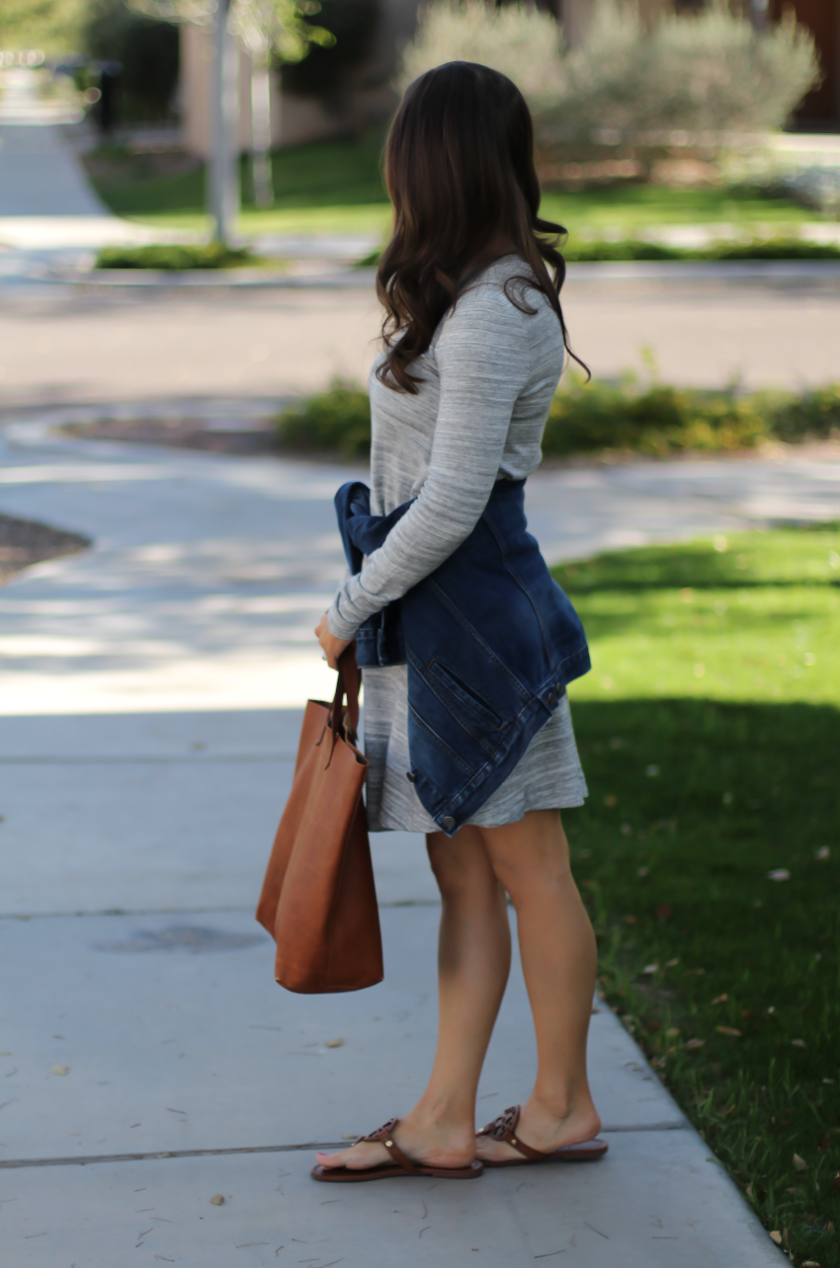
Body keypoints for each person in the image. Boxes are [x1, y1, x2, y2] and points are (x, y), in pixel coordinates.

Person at [312, 61, 605, 1183]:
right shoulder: (466, 293)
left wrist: (346, 609)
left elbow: (452, 499)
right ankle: (443, 1114)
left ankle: (560, 1102)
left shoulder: (498, 309)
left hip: (476, 624)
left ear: (429, 165)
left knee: (532, 867)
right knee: (470, 876)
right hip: (432, 620)